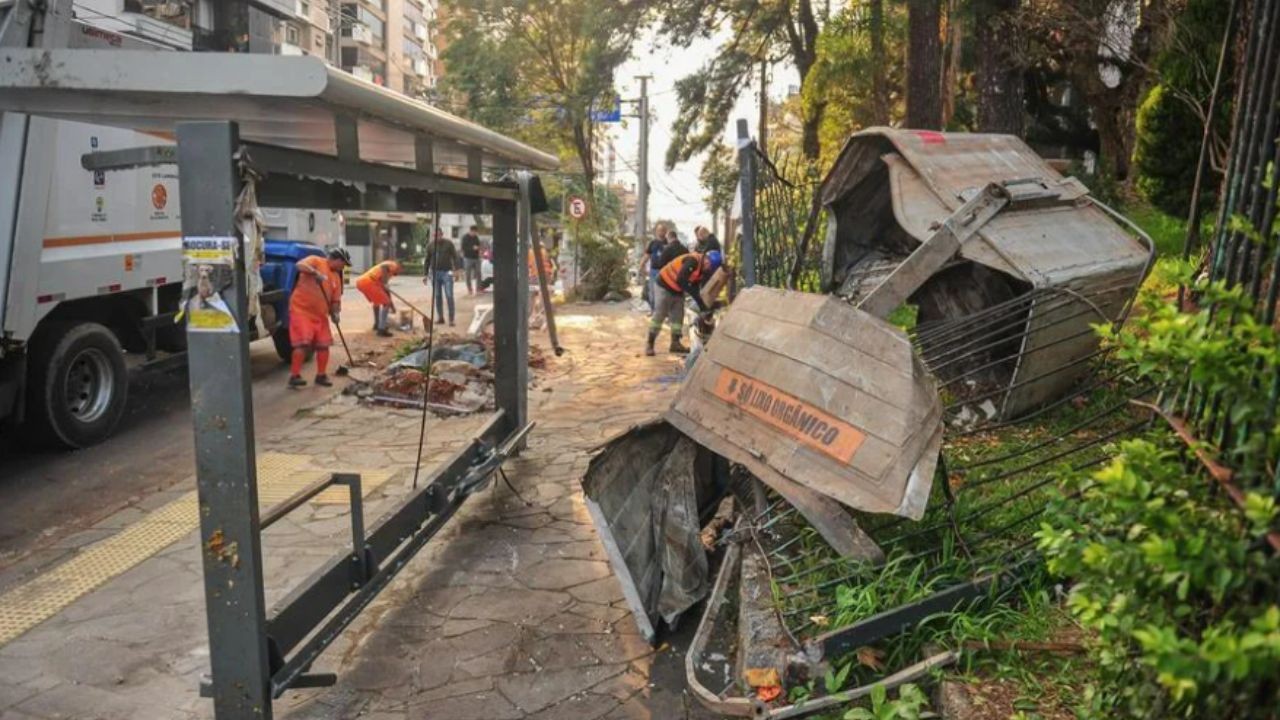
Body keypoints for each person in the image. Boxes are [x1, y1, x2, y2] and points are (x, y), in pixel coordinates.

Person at [288, 246, 350, 388]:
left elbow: (336, 299)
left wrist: (335, 313)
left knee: (324, 345)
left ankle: (321, 376)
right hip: (301, 311)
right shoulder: (316, 261)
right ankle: (294, 376)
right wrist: (314, 272)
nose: (343, 267)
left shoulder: (336, 277)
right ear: (337, 259)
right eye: (343, 263)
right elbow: (299, 265)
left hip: (321, 315)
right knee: (303, 344)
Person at [647, 249, 722, 356]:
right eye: (709, 267)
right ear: (707, 262)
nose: (708, 270)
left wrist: (703, 307)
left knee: (678, 316)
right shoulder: (692, 261)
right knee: (660, 314)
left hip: (677, 289)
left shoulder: (702, 269)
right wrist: (696, 298)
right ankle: (650, 343)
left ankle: (675, 343)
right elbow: (681, 280)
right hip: (664, 284)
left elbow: (695, 288)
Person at [355, 259, 401, 337]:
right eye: (399, 271)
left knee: (377, 302)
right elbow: (384, 267)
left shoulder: (387, 274)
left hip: (362, 282)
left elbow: (386, 292)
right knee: (386, 303)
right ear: (400, 267)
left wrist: (392, 306)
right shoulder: (393, 265)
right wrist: (390, 304)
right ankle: (382, 329)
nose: (398, 273)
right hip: (369, 282)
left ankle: (377, 324)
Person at [425, 229, 459, 326]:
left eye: (439, 235)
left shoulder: (448, 244)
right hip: (435, 273)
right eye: (435, 235)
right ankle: (440, 318)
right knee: (437, 296)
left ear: (442, 235)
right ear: (433, 236)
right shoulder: (430, 246)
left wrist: (456, 271)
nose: (437, 237)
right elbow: (427, 261)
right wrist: (425, 274)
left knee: (449, 295)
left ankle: (451, 319)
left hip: (447, 273)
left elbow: (455, 257)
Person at [639, 222, 668, 310]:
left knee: (664, 293)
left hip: (665, 272)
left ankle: (663, 313)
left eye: (663, 230)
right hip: (654, 271)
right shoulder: (652, 243)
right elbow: (647, 255)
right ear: (656, 231)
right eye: (659, 230)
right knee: (652, 293)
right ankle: (653, 311)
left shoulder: (669, 243)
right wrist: (641, 266)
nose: (661, 232)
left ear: (665, 232)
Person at [461, 226, 483, 296]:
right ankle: (470, 289)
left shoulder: (476, 237)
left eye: (476, 232)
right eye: (474, 232)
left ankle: (478, 289)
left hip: (476, 258)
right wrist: (472, 248)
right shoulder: (465, 238)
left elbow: (479, 245)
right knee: (468, 274)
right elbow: (463, 248)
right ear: (470, 231)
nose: (475, 233)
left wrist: (479, 250)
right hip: (468, 258)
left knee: (479, 273)